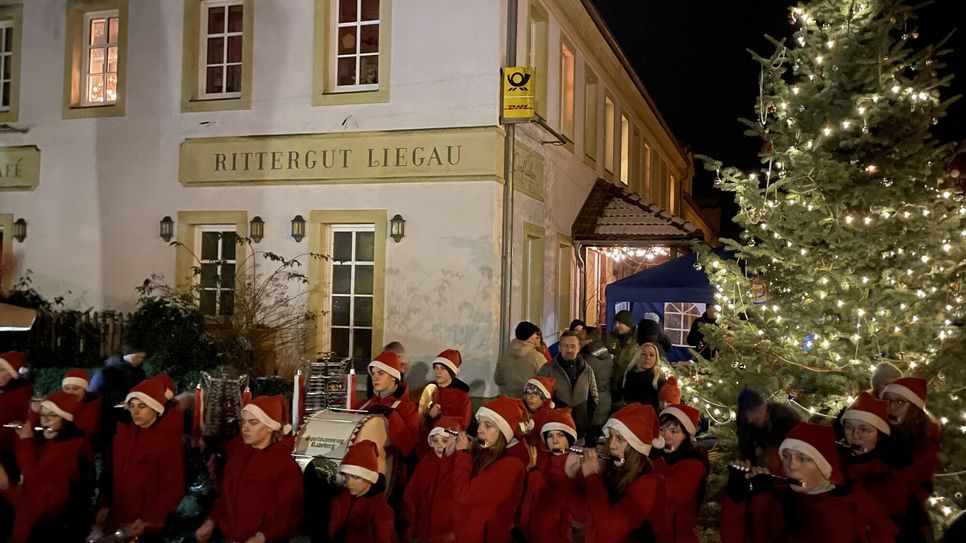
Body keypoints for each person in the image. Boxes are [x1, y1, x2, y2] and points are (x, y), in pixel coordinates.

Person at [722, 422, 894, 543]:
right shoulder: (789, 494)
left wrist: (763, 499)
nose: (791, 466)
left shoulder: (835, 516)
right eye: (787, 456)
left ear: (824, 467)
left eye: (803, 459)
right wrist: (736, 495)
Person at [196, 395, 303, 543]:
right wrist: (211, 522)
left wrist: (262, 537)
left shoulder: (284, 465)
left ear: (270, 427)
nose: (245, 427)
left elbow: (289, 511)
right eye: (244, 421)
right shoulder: (237, 456)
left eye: (253, 423)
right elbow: (225, 496)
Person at [568, 402, 671, 542]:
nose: (611, 445)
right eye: (611, 436)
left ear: (636, 446)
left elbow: (609, 531)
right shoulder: (612, 472)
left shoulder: (649, 483)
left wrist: (592, 478)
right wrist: (571, 476)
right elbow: (584, 514)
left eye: (620, 439)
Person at [96, 378, 184, 541]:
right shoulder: (122, 437)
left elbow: (172, 486)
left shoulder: (166, 442)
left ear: (156, 409)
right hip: (116, 522)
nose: (135, 412)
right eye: (132, 406)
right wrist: (104, 504)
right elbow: (109, 473)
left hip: (143, 527)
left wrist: (148, 519)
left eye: (142, 406)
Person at [0, 392, 90, 543]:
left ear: (65, 419)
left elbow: (32, 475)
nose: (45, 420)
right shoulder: (47, 442)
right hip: (26, 526)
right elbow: (27, 501)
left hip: (47, 530)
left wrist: (26, 440)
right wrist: (5, 486)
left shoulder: (70, 447)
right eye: (43, 415)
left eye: (52, 416)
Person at [451, 397, 527, 543]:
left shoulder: (511, 465)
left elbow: (464, 493)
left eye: (488, 425)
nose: (479, 430)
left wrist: (463, 455)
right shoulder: (485, 452)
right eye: (480, 423)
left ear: (503, 432)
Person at [839, 392, 913, 537]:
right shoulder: (838, 456)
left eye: (864, 429)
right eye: (849, 428)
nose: (855, 435)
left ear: (879, 435)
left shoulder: (890, 472)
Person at [880, 377, 941, 535]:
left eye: (899, 402)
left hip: (901, 519)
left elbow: (919, 484)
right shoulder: (875, 429)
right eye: (887, 400)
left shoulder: (924, 441)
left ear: (913, 409)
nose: (890, 407)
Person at [518, 408, 579, 543]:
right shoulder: (543, 459)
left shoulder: (573, 466)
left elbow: (549, 498)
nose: (555, 441)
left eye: (560, 435)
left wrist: (533, 472)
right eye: (550, 436)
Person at [653, 404, 708, 543]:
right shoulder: (659, 456)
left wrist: (655, 463)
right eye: (661, 430)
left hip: (678, 535)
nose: (666, 436)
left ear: (686, 436)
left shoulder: (693, 463)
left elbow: (675, 493)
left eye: (674, 431)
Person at [403, 416, 462, 543]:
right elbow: (412, 495)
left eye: (445, 441)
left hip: (449, 532)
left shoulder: (460, 466)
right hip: (424, 529)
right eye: (435, 440)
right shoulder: (425, 464)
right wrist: (411, 523)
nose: (439, 445)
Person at [327, 439, 395, 543]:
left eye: (355, 477)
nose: (349, 482)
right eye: (347, 477)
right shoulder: (339, 501)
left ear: (369, 478)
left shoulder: (380, 510)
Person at [537, 330, 599, 441]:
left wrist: (588, 424)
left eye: (572, 346)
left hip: (580, 432)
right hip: (556, 433)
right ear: (559, 347)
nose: (569, 350)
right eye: (565, 346)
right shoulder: (547, 369)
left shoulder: (587, 370)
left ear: (579, 347)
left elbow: (593, 399)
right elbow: (539, 400)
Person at [357, 350, 420, 458]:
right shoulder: (363, 404)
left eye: (381, 373)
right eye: (373, 374)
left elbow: (408, 446)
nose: (375, 378)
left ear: (393, 377)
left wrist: (391, 415)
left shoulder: (407, 408)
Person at [89, 343, 147, 448]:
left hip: (130, 417)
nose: (140, 360)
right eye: (137, 357)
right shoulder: (106, 372)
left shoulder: (140, 373)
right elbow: (93, 394)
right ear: (127, 355)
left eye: (142, 357)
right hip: (108, 418)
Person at [735, 387, 802, 474]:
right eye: (747, 414)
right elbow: (745, 448)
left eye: (753, 411)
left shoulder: (785, 418)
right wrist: (747, 463)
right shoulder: (745, 422)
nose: (751, 419)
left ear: (764, 405)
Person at [494, 321, 547, 398]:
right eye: (535, 334)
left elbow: (497, 379)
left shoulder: (505, 355)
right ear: (530, 336)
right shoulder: (538, 357)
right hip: (530, 402)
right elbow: (546, 381)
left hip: (508, 401)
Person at [425, 349, 472, 429]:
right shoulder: (429, 389)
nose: (438, 372)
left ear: (451, 371)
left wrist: (439, 417)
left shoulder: (462, 396)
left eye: (443, 368)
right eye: (436, 368)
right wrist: (428, 417)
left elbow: (463, 424)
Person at [580, 326, 613, 433]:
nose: (578, 342)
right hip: (605, 402)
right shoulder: (607, 355)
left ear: (589, 341)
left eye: (580, 338)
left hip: (590, 405)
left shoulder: (585, 360)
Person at [621, 342, 668, 413]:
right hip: (630, 415)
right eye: (643, 354)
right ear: (638, 356)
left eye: (652, 355)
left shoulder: (659, 378)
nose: (647, 358)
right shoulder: (630, 374)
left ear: (656, 359)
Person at [60, 368, 101, 439]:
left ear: (84, 391)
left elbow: (84, 434)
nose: (70, 392)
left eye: (76, 389)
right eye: (66, 389)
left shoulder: (93, 407)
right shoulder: (58, 405)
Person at [606, 310, 637, 404]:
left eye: (620, 323)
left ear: (628, 324)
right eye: (615, 323)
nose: (616, 326)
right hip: (611, 382)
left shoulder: (636, 341)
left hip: (627, 384)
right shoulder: (611, 338)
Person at [523, 376, 556, 450]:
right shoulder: (525, 411)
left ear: (544, 398)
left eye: (535, 394)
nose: (529, 398)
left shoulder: (547, 418)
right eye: (528, 393)